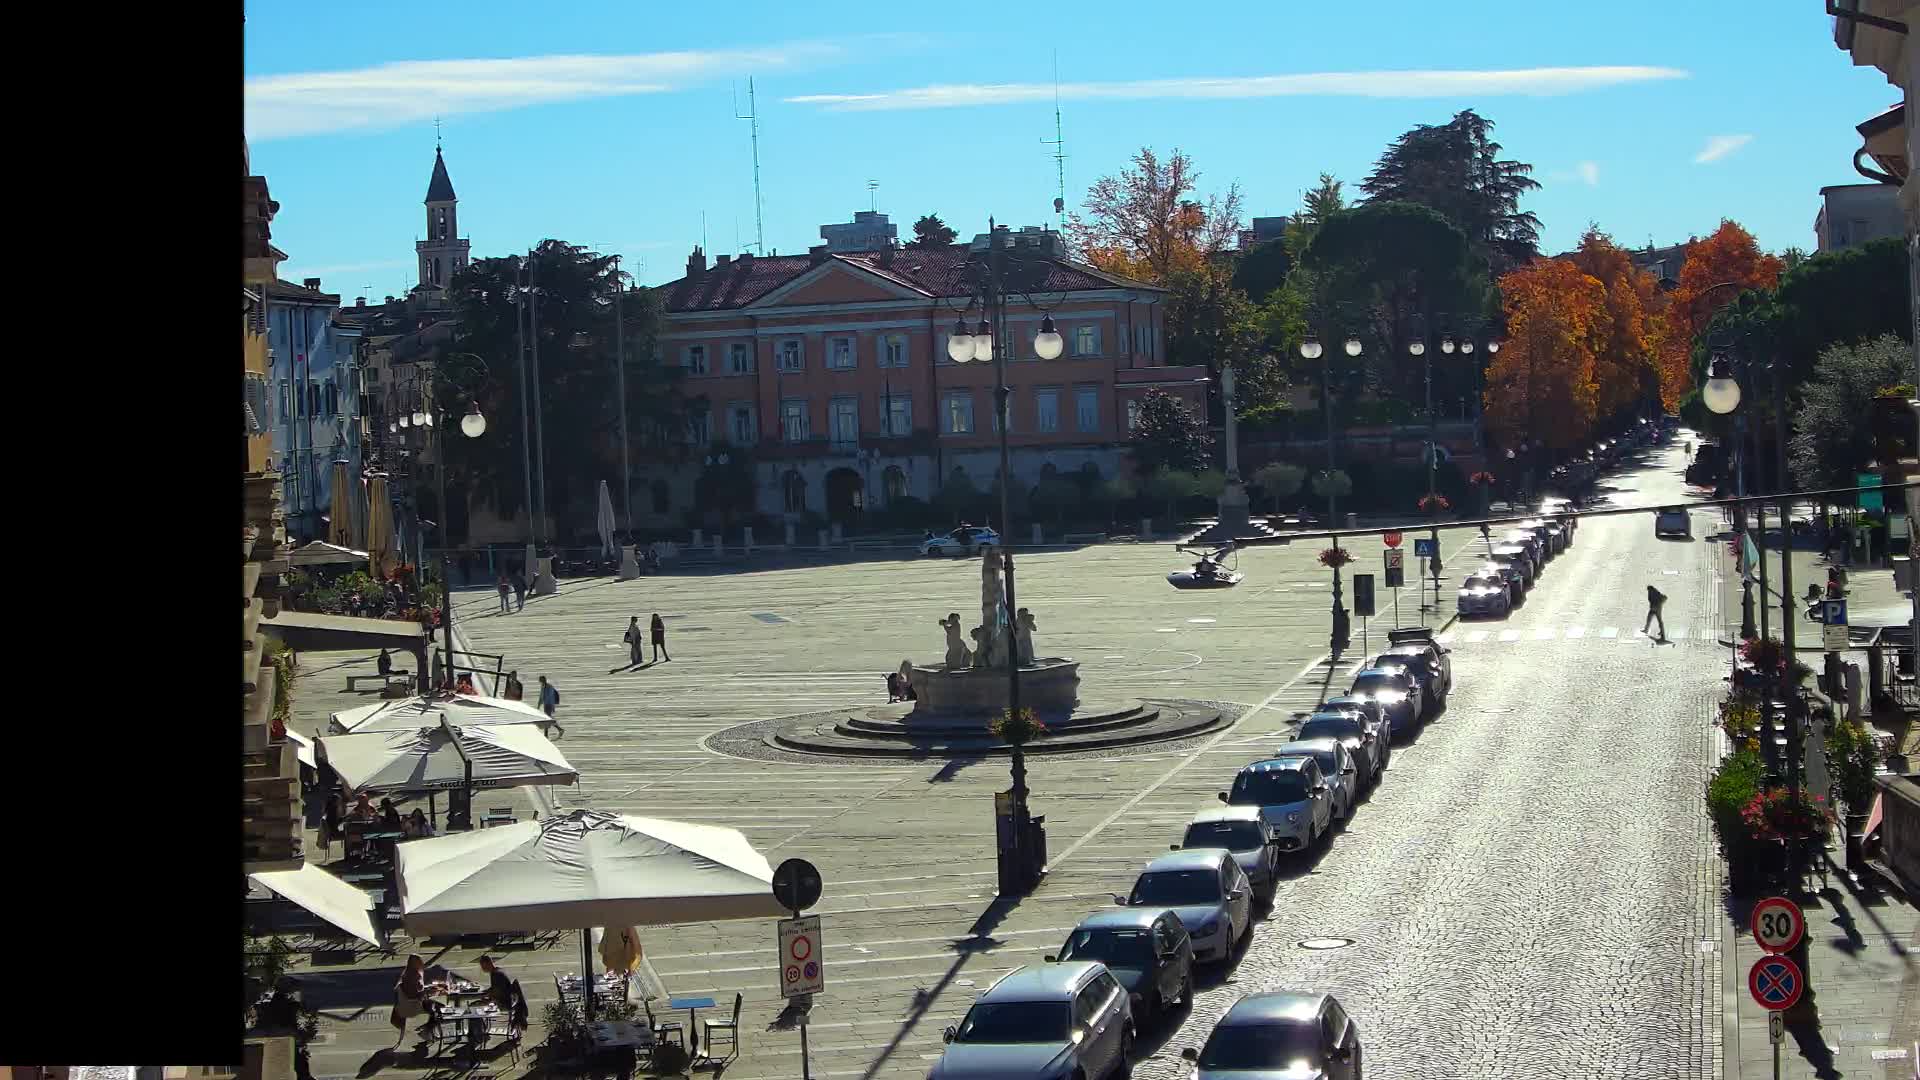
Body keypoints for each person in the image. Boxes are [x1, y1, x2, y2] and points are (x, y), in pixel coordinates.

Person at [391, 954, 446, 1045]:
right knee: (441, 1009)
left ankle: (427, 1029)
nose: (422, 963)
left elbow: (414, 990)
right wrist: (430, 991)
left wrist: (429, 990)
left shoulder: (406, 974)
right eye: (420, 961)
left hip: (403, 1007)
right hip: (412, 1007)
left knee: (433, 1006)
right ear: (416, 963)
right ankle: (427, 1030)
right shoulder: (414, 975)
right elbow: (414, 995)